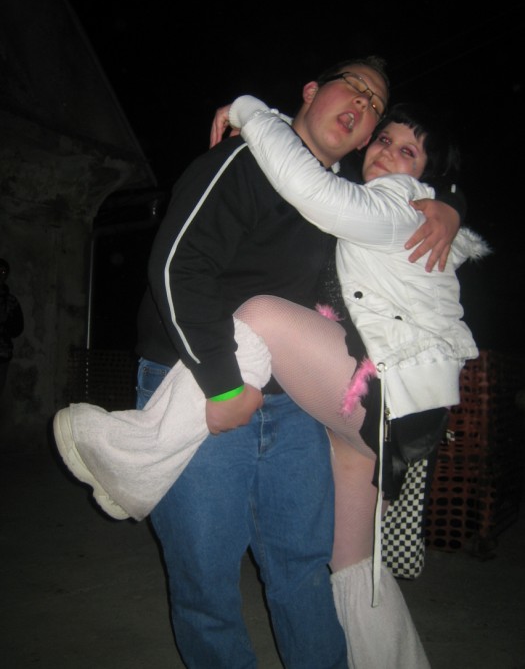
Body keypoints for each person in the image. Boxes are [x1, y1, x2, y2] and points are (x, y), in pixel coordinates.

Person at [53, 57, 465, 668]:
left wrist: (447, 202)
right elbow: (176, 268)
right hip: (199, 384)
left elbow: (401, 200)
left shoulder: (348, 202)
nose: (363, 104)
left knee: (303, 571)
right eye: (353, 88)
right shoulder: (243, 162)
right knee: (208, 583)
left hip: (294, 404)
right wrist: (223, 385)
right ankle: (130, 457)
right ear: (311, 92)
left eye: (375, 105)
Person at [0, 258, 24, 398]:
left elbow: (18, 328)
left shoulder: (11, 301)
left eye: (3, 272)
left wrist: (5, 322)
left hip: (2, 354)